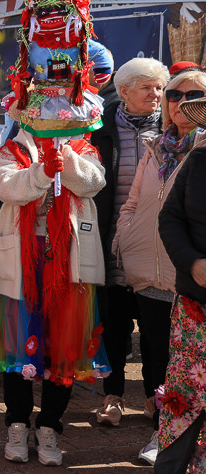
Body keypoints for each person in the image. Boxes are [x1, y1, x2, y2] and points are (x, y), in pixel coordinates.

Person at [0, 125, 110, 466]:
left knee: (63, 350)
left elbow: (93, 183)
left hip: (68, 262)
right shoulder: (11, 150)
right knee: (16, 348)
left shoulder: (85, 148)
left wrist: (66, 158)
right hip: (21, 262)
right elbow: (5, 188)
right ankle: (17, 424)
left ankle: (49, 426)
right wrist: (42, 171)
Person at [112, 68, 206, 465]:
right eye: (172, 94)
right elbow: (136, 204)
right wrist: (125, 239)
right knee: (157, 357)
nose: (179, 101)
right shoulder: (157, 147)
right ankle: (160, 433)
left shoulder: (199, 149)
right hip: (156, 270)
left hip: (182, 277)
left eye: (193, 94)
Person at [89, 57, 168, 427]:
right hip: (112, 241)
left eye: (159, 88)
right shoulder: (99, 129)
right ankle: (113, 395)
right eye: (147, 88)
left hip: (156, 246)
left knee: (157, 328)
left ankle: (156, 398)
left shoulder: (172, 129)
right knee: (114, 324)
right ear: (123, 92)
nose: (156, 95)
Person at [156, 94, 206, 471]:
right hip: (194, 304)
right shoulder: (199, 161)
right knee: (184, 399)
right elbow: (170, 219)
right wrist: (192, 262)